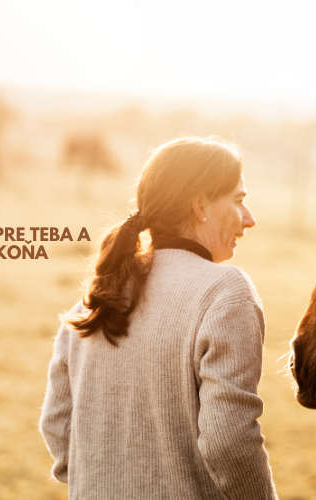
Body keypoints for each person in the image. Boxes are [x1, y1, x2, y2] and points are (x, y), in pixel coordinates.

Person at [40, 136, 278, 499]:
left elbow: (57, 425)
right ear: (200, 204)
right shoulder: (224, 291)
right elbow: (228, 438)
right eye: (238, 200)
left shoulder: (98, 296)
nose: (250, 219)